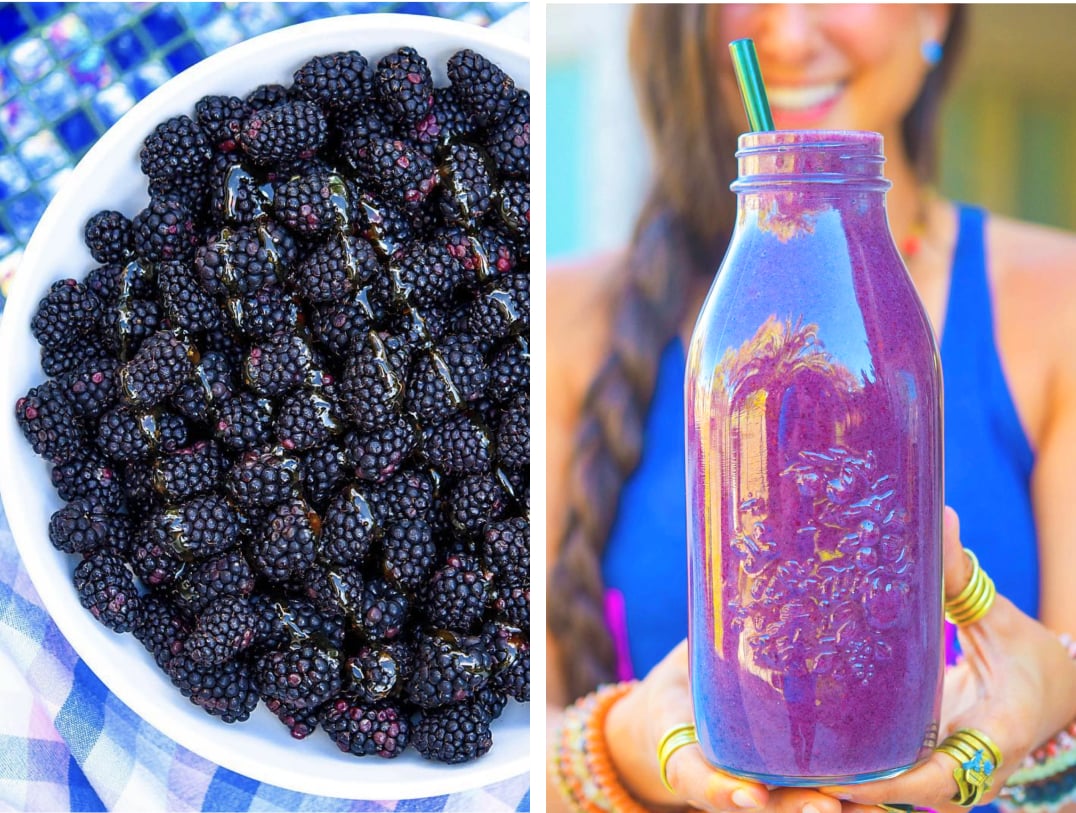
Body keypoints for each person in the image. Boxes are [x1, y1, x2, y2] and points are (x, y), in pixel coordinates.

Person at [547, 5, 1076, 812]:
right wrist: (616, 745)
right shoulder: (556, 318)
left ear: (938, 10)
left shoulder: (1060, 302)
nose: (791, 36)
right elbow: (490, 746)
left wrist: (1056, 721)